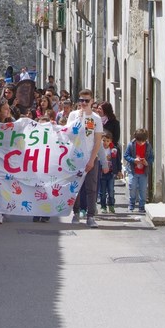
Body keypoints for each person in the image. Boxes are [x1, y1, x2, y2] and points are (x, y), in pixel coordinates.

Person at [69, 89, 104, 228]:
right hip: (75, 157)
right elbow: (68, 134)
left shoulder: (96, 118)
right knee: (75, 187)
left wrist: (92, 159)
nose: (83, 103)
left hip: (90, 157)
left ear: (92, 101)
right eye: (81, 100)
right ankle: (76, 212)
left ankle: (91, 216)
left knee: (91, 187)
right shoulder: (73, 115)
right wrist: (79, 119)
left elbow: (97, 141)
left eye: (86, 101)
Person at [124, 128, 155, 213]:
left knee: (143, 189)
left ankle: (142, 206)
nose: (141, 143)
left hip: (143, 172)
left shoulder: (148, 146)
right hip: (133, 171)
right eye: (139, 141)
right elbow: (126, 156)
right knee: (132, 187)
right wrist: (134, 160)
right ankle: (131, 204)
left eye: (142, 141)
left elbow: (152, 157)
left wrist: (147, 162)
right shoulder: (131, 145)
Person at [98, 131, 122, 214]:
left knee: (111, 190)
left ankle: (111, 205)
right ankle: (103, 206)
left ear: (110, 141)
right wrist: (104, 158)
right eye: (103, 140)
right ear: (101, 140)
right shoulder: (98, 149)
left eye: (107, 141)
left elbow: (118, 161)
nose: (105, 143)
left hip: (111, 173)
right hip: (101, 173)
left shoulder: (114, 149)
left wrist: (119, 171)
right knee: (102, 192)